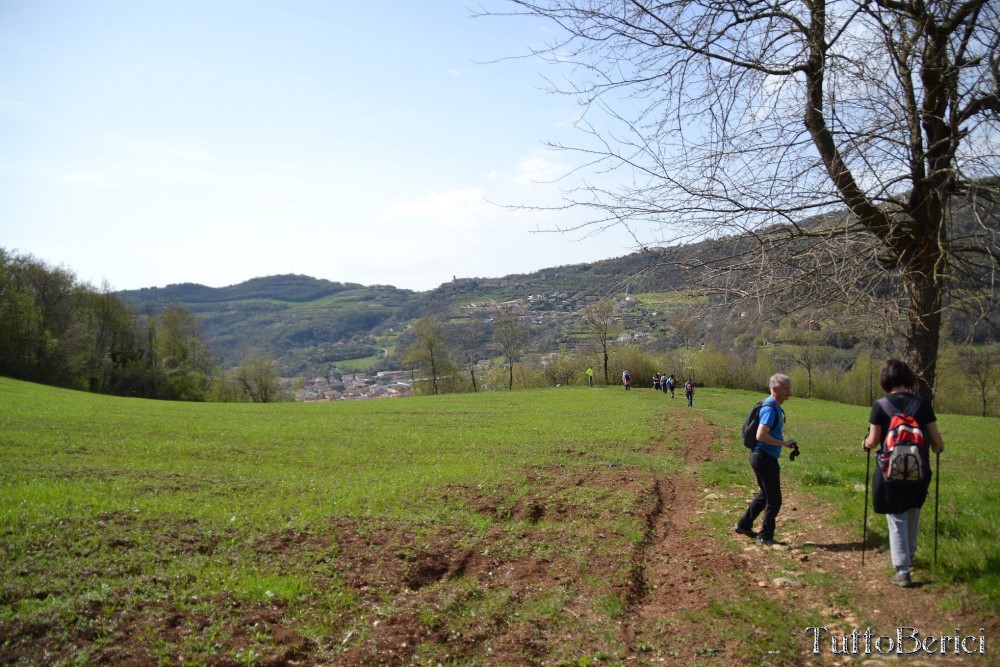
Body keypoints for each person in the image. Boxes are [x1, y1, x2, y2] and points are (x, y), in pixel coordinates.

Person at [863, 358, 944, 588]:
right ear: (908, 378)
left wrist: (865, 444)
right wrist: (939, 448)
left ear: (886, 380)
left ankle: (902, 569)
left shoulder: (881, 405)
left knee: (896, 517)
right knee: (912, 512)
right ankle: (910, 557)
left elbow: (873, 440)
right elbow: (936, 441)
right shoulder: (923, 404)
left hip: (891, 471)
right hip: (919, 470)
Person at [734, 373, 797, 546]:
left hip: (760, 455)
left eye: (789, 388)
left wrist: (783, 442)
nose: (789, 392)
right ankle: (765, 536)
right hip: (764, 457)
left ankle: (744, 525)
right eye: (786, 388)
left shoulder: (772, 406)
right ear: (775, 388)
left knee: (764, 494)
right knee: (774, 499)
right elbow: (761, 434)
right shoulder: (770, 408)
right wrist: (783, 443)